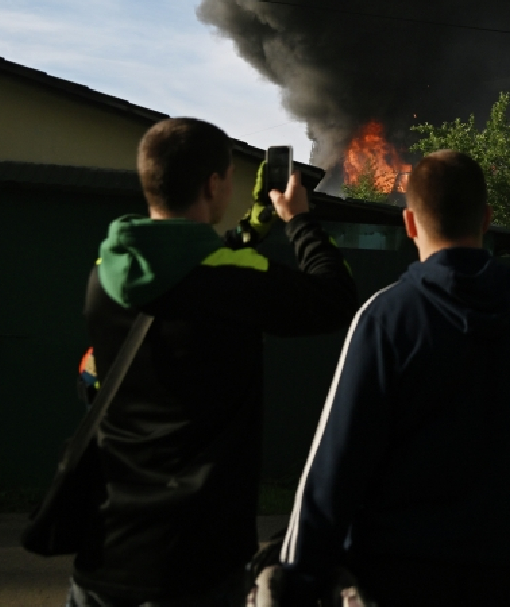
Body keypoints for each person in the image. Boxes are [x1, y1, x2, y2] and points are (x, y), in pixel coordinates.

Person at [256, 149, 510, 607]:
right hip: (509, 577)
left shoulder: (386, 318)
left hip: (397, 579)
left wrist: (298, 578)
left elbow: (335, 467)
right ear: (487, 219)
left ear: (410, 223)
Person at [68, 118, 361, 607]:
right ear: (212, 184)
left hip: (105, 550)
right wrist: (298, 221)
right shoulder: (230, 282)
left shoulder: (105, 271)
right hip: (194, 560)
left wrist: (248, 230)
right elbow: (334, 295)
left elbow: (188, 273)